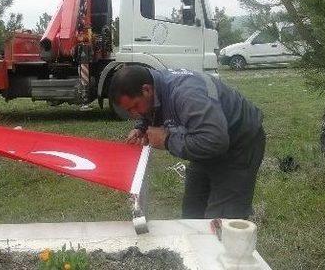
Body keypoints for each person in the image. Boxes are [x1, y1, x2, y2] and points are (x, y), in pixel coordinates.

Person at [109, 65, 265, 219]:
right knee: (192, 213)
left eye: (135, 107)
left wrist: (167, 140)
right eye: (129, 110)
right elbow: (155, 107)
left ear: (147, 90)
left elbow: (215, 140)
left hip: (239, 143)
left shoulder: (187, 94)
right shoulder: (154, 87)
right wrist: (141, 128)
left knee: (222, 222)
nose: (135, 114)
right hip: (206, 139)